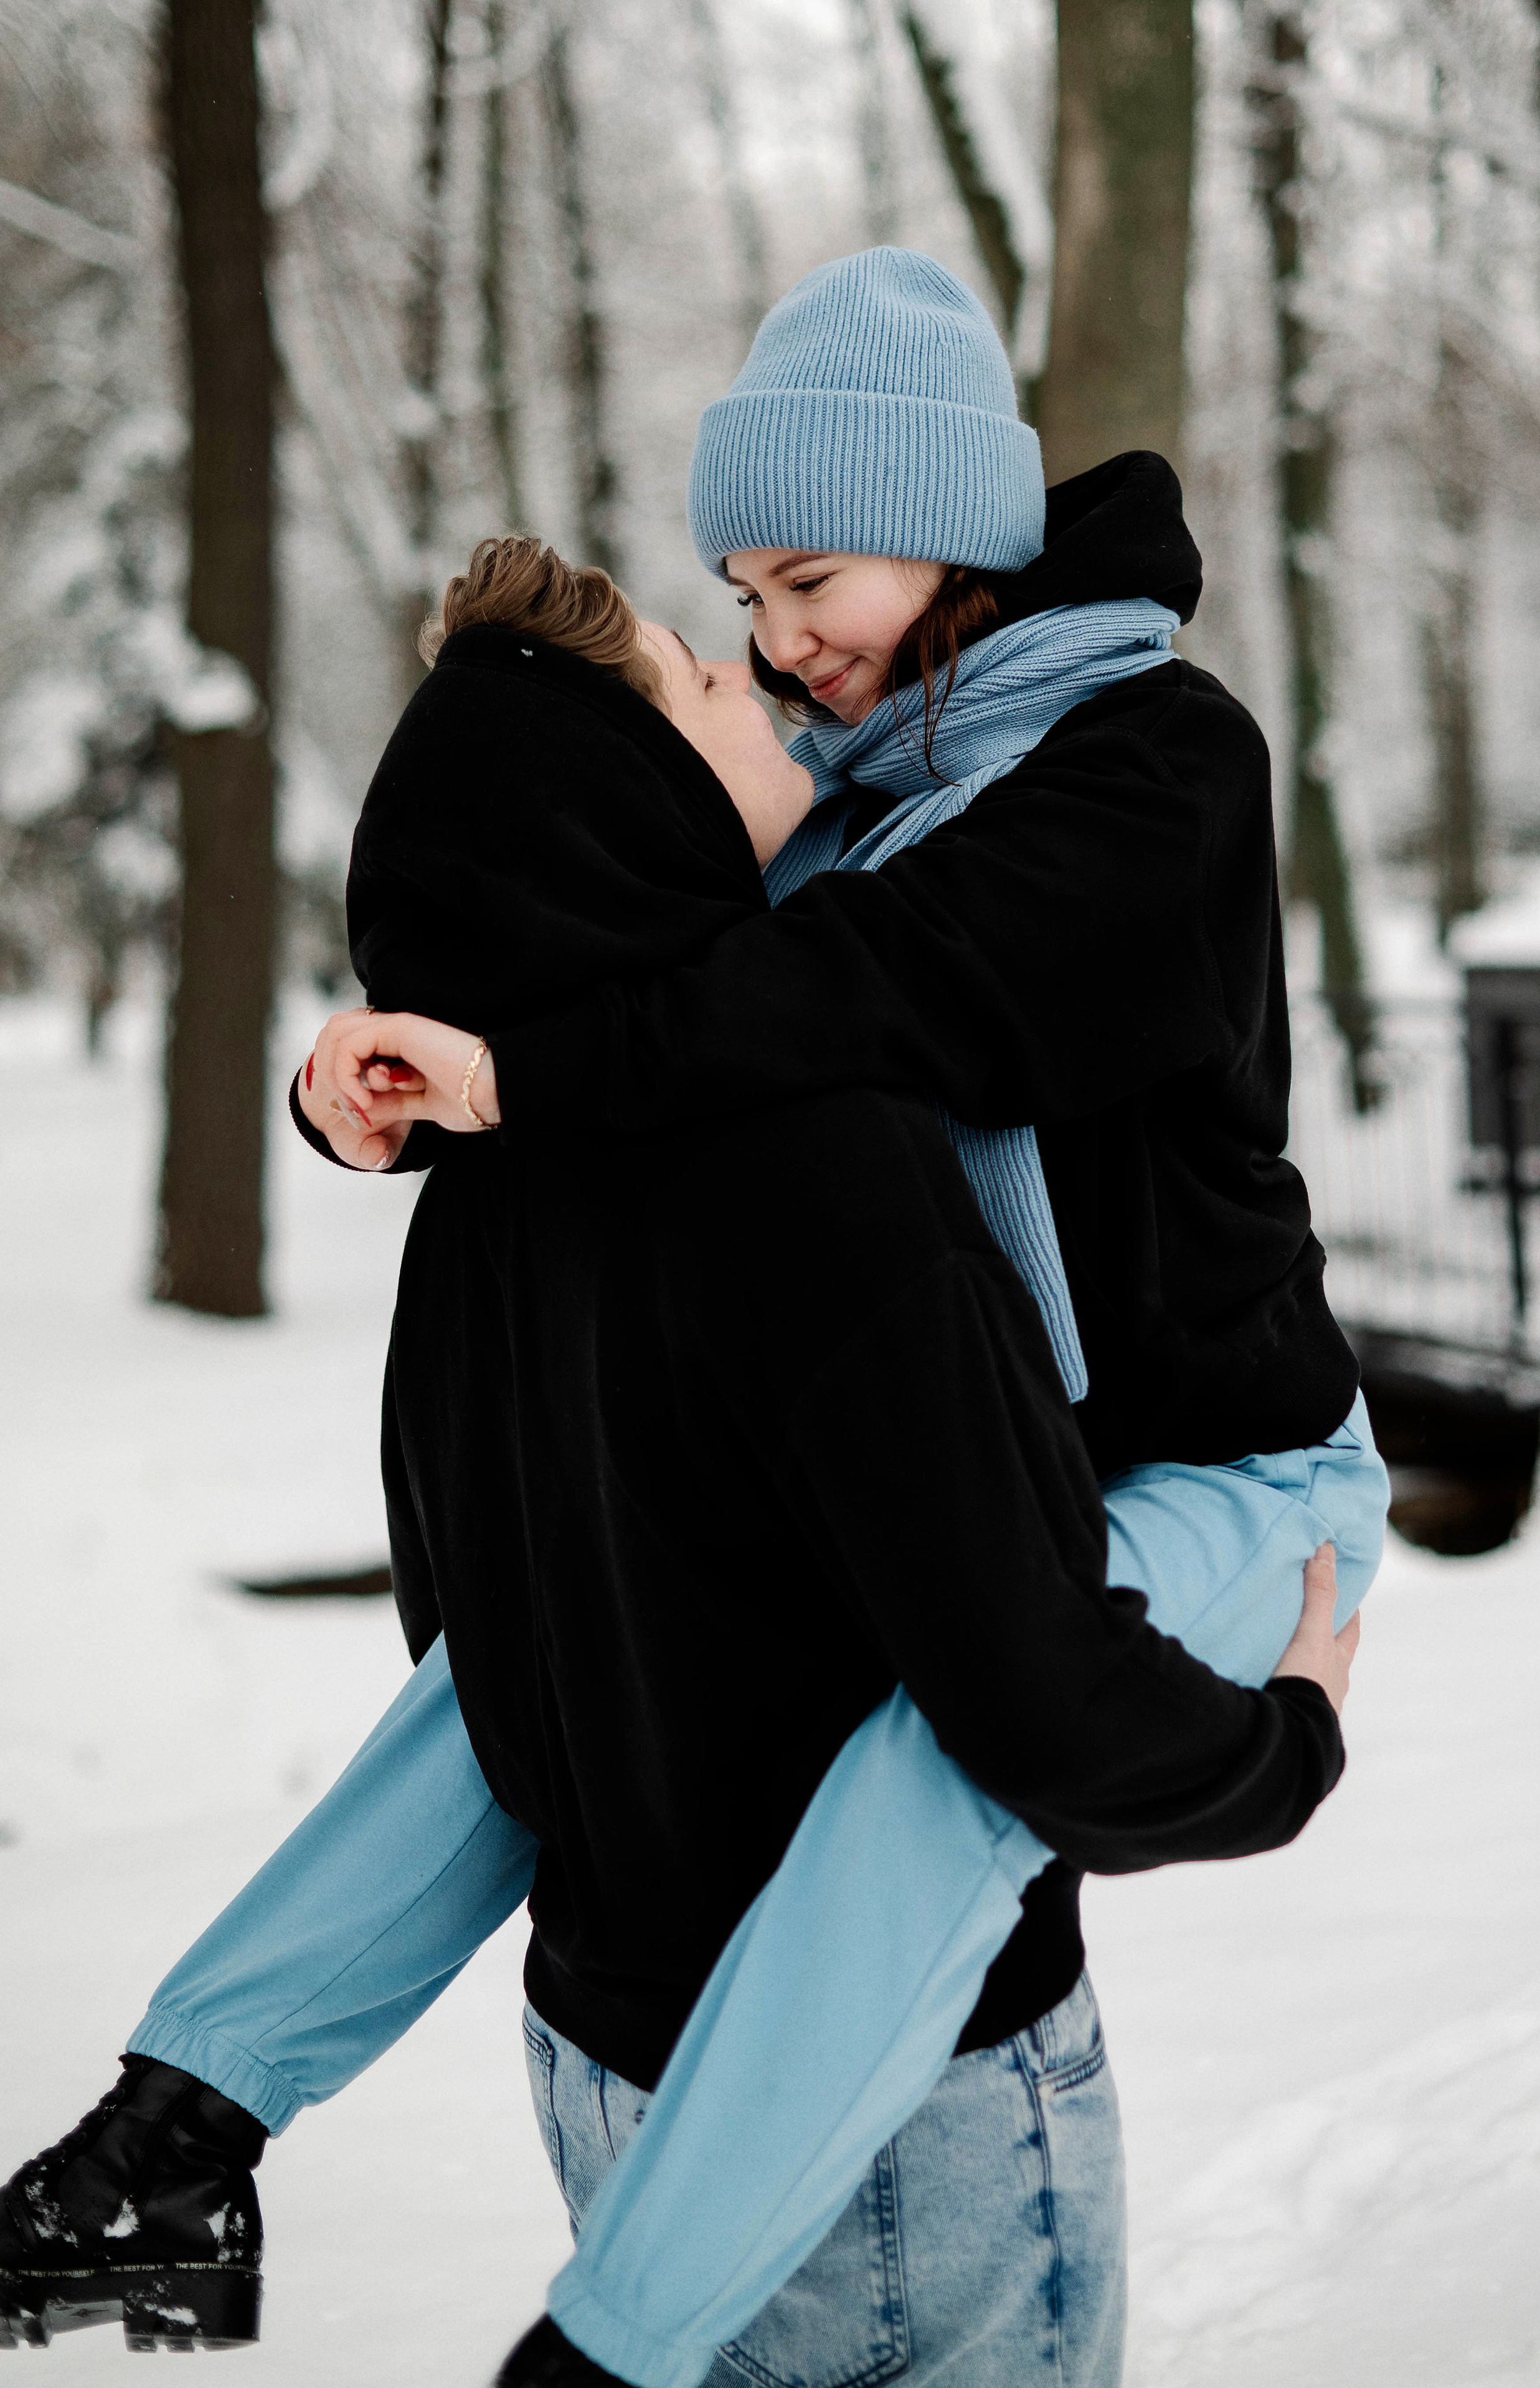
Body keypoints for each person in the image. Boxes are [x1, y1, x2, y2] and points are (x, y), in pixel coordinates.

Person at [0, 250, 1382, 2386]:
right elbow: (646, 970)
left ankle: (613, 2344)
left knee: (946, 1752)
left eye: (805, 575)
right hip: (997, 1472)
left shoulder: (1149, 768)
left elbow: (868, 998)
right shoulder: (858, 777)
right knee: (509, 1677)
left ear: (954, 521)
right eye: (740, 601)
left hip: (1221, 1472)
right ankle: (175, 2121)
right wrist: (385, 1089)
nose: (773, 640)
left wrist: (526, 1083)